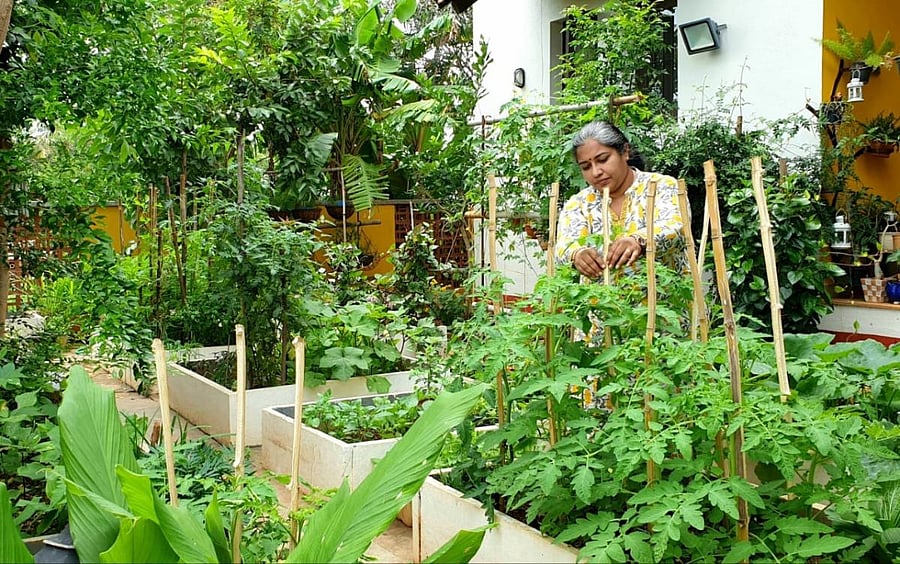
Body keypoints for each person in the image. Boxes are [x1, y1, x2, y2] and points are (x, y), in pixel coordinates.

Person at [556, 121, 684, 278]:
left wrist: (638, 240)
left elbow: (676, 226)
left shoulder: (660, 187)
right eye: (586, 167)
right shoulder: (579, 204)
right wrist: (577, 254)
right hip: (602, 302)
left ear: (625, 152)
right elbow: (564, 246)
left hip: (662, 301)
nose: (596, 172)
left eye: (603, 159)